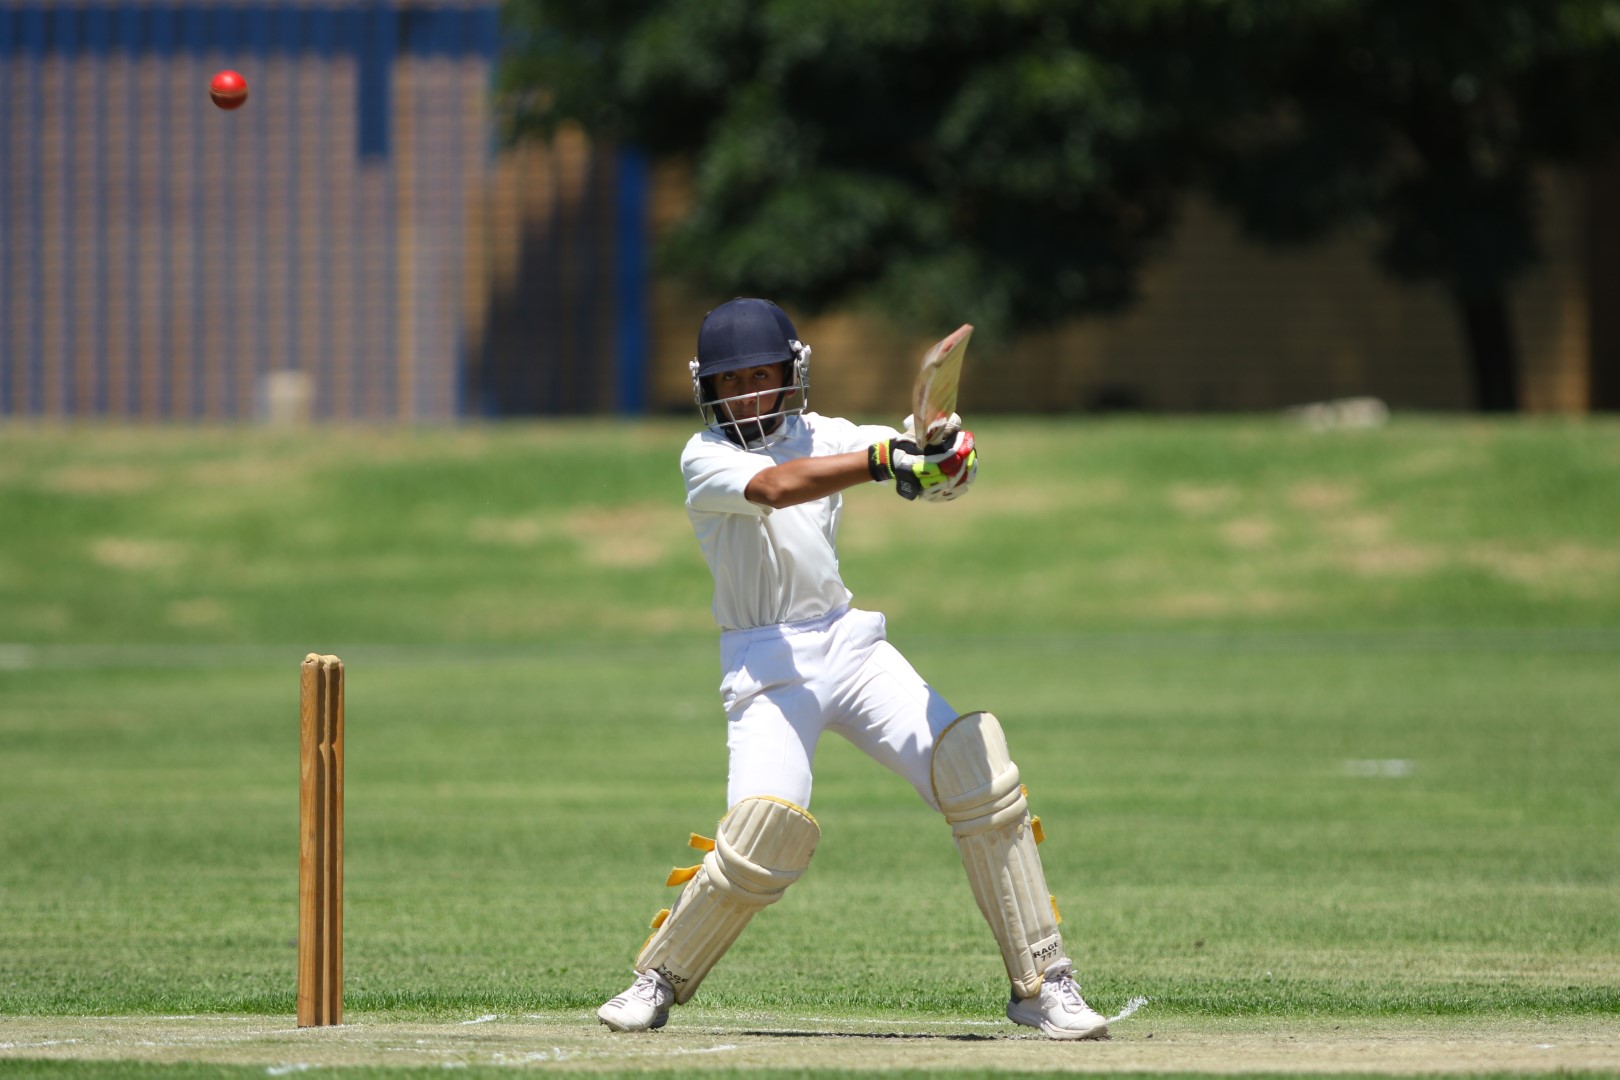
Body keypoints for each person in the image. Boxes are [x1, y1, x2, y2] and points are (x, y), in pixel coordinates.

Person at [596, 297, 1110, 1040]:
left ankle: (1043, 982)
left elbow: (917, 463)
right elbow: (779, 487)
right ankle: (660, 977)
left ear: (791, 374)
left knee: (978, 773)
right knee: (762, 833)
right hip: (766, 664)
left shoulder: (829, 434)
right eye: (730, 381)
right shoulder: (704, 456)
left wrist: (943, 457)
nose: (746, 394)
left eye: (760, 376)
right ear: (707, 386)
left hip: (849, 645)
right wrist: (884, 462)